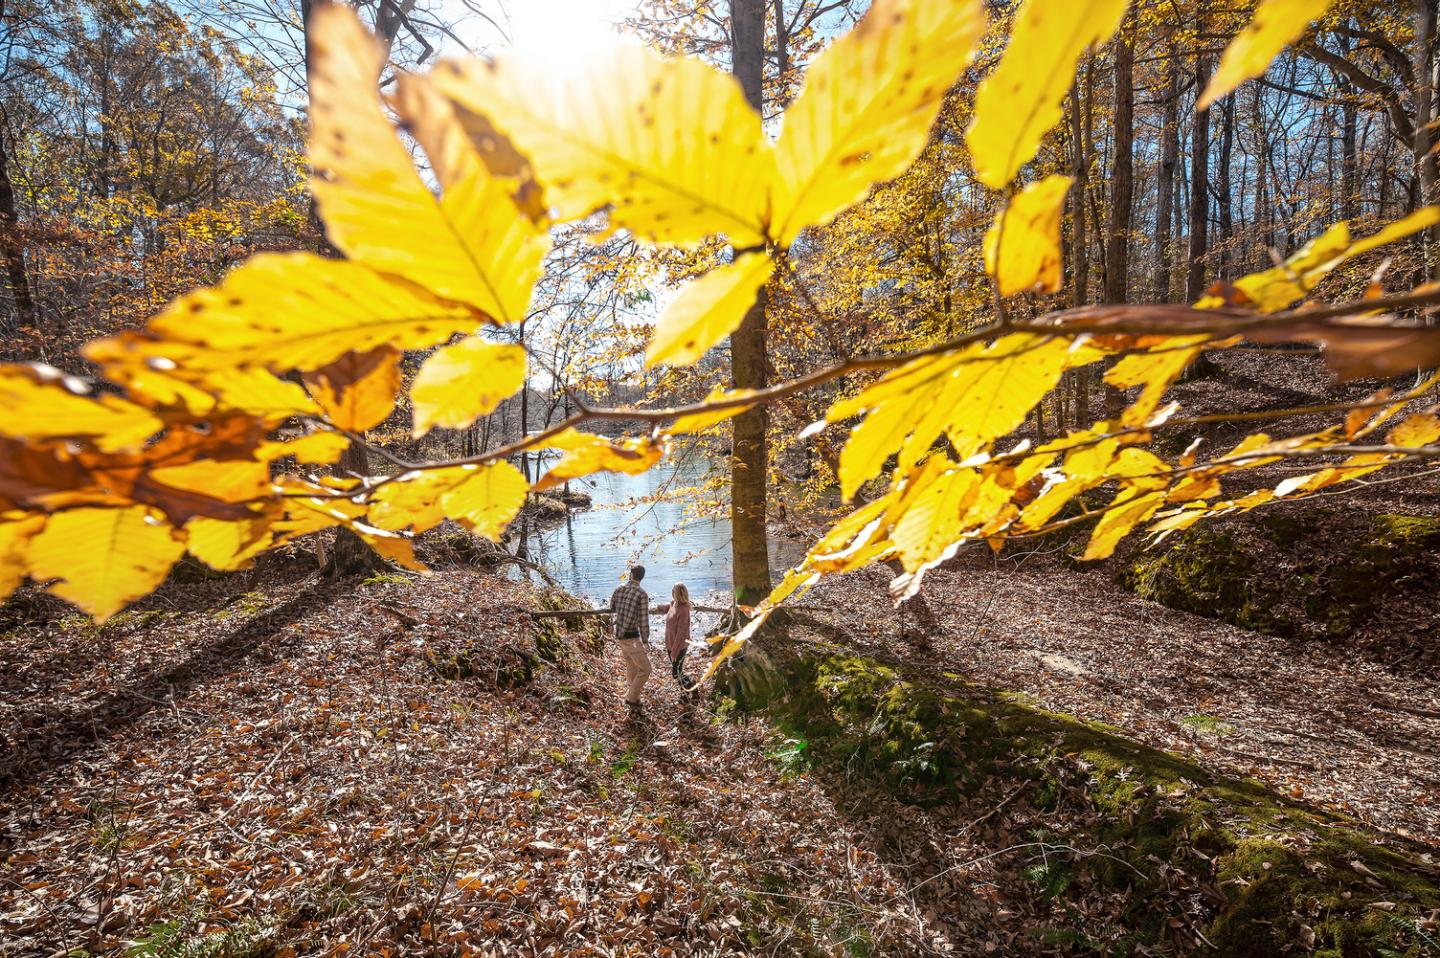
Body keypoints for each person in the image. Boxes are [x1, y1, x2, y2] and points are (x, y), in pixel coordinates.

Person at [608, 565, 651, 715]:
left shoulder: (619, 589)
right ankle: (631, 697)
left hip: (619, 635)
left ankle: (633, 695)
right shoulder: (642, 594)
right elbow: (643, 620)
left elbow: (612, 606)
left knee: (631, 664)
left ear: (631, 575)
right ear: (642, 577)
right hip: (631, 637)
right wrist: (645, 640)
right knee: (646, 669)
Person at [665, 583, 697, 693]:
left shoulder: (683, 609)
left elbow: (681, 632)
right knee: (678, 671)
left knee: (676, 673)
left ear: (677, 593)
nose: (671, 592)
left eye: (673, 590)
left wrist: (675, 650)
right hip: (670, 643)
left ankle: (693, 688)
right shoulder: (673, 604)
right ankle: (685, 694)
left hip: (680, 646)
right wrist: (657, 607)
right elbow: (669, 609)